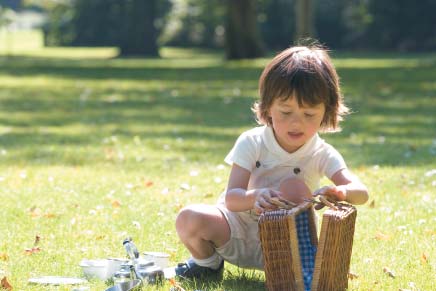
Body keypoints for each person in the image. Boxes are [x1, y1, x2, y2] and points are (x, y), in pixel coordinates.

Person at [174, 45, 369, 279]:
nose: (296, 123)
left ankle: (289, 273)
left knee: (293, 187)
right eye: (286, 112)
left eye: (309, 115)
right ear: (268, 107)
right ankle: (208, 264)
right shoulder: (252, 142)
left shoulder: (322, 153)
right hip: (236, 229)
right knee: (189, 218)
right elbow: (232, 198)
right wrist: (255, 196)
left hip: (287, 246)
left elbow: (362, 194)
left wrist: (341, 191)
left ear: (326, 112)